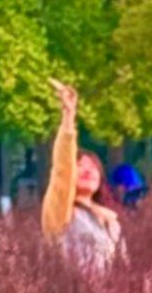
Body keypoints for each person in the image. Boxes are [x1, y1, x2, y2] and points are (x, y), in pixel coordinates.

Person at [42, 80, 124, 275]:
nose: (88, 171)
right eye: (80, 166)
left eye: (93, 167)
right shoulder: (61, 212)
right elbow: (63, 168)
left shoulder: (110, 220)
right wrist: (69, 117)